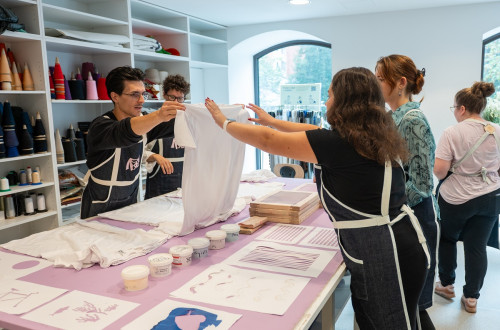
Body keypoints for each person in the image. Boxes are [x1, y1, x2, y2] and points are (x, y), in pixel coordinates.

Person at [205, 67, 428, 329]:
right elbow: (312, 130)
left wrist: (224, 122)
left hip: (385, 253)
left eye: (330, 95)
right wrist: (272, 120)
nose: (326, 101)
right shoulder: (372, 133)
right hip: (403, 243)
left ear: (345, 101)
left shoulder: (339, 144)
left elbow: (268, 141)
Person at [375, 54, 438, 329]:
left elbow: (422, 183)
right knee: (405, 307)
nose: (376, 85)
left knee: (414, 310)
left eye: (380, 79)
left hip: (416, 220)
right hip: (403, 217)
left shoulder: (412, 120)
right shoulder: (392, 117)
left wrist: (389, 205)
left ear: (400, 83)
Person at [81, 66, 186, 219]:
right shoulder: (101, 127)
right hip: (99, 209)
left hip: (130, 205)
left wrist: (218, 119)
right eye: (134, 94)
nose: (141, 100)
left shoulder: (146, 123)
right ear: (115, 97)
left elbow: (178, 126)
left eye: (143, 94)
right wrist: (158, 116)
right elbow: (125, 131)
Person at [433, 81, 500, 313]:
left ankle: (446, 284)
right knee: (477, 247)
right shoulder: (497, 130)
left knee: (448, 239)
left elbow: (440, 171)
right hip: (491, 196)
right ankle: (471, 299)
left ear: (462, 108)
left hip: (456, 199)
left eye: (454, 108)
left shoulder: (451, 132)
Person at [144, 74, 190, 199]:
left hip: (183, 186)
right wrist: (154, 156)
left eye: (180, 98)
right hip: (158, 188)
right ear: (164, 94)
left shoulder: (189, 121)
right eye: (172, 97)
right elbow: (137, 151)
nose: (176, 102)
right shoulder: (152, 121)